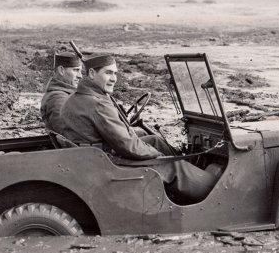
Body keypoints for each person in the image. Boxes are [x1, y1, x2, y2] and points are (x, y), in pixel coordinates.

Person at [61, 55, 218, 204]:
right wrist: (157, 155)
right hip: (107, 162)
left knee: (154, 140)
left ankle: (192, 175)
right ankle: (212, 195)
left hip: (90, 157)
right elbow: (127, 146)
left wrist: (150, 147)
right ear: (92, 73)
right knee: (171, 164)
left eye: (115, 73)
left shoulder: (75, 98)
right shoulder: (98, 103)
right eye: (108, 73)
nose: (114, 78)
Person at [40, 52, 82, 134]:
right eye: (76, 70)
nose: (80, 76)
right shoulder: (57, 99)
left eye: (80, 71)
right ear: (61, 70)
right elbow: (69, 132)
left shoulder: (64, 94)